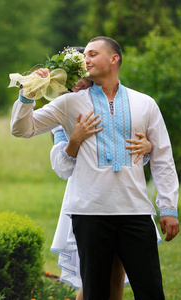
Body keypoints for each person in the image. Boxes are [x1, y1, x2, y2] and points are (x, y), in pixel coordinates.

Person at [10, 36, 179, 299]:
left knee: (151, 291)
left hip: (135, 212)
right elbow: (22, 129)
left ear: (114, 59)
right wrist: (26, 96)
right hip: (89, 214)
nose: (85, 59)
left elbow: (163, 157)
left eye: (92, 54)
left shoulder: (145, 103)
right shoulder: (69, 103)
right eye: (84, 55)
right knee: (94, 293)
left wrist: (168, 207)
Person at [50, 79, 159, 300]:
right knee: (93, 277)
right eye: (73, 83)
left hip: (125, 197)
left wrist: (149, 147)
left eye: (83, 82)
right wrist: (76, 138)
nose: (78, 87)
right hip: (88, 196)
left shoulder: (119, 105)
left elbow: (130, 146)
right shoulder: (65, 110)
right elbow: (63, 165)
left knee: (118, 269)